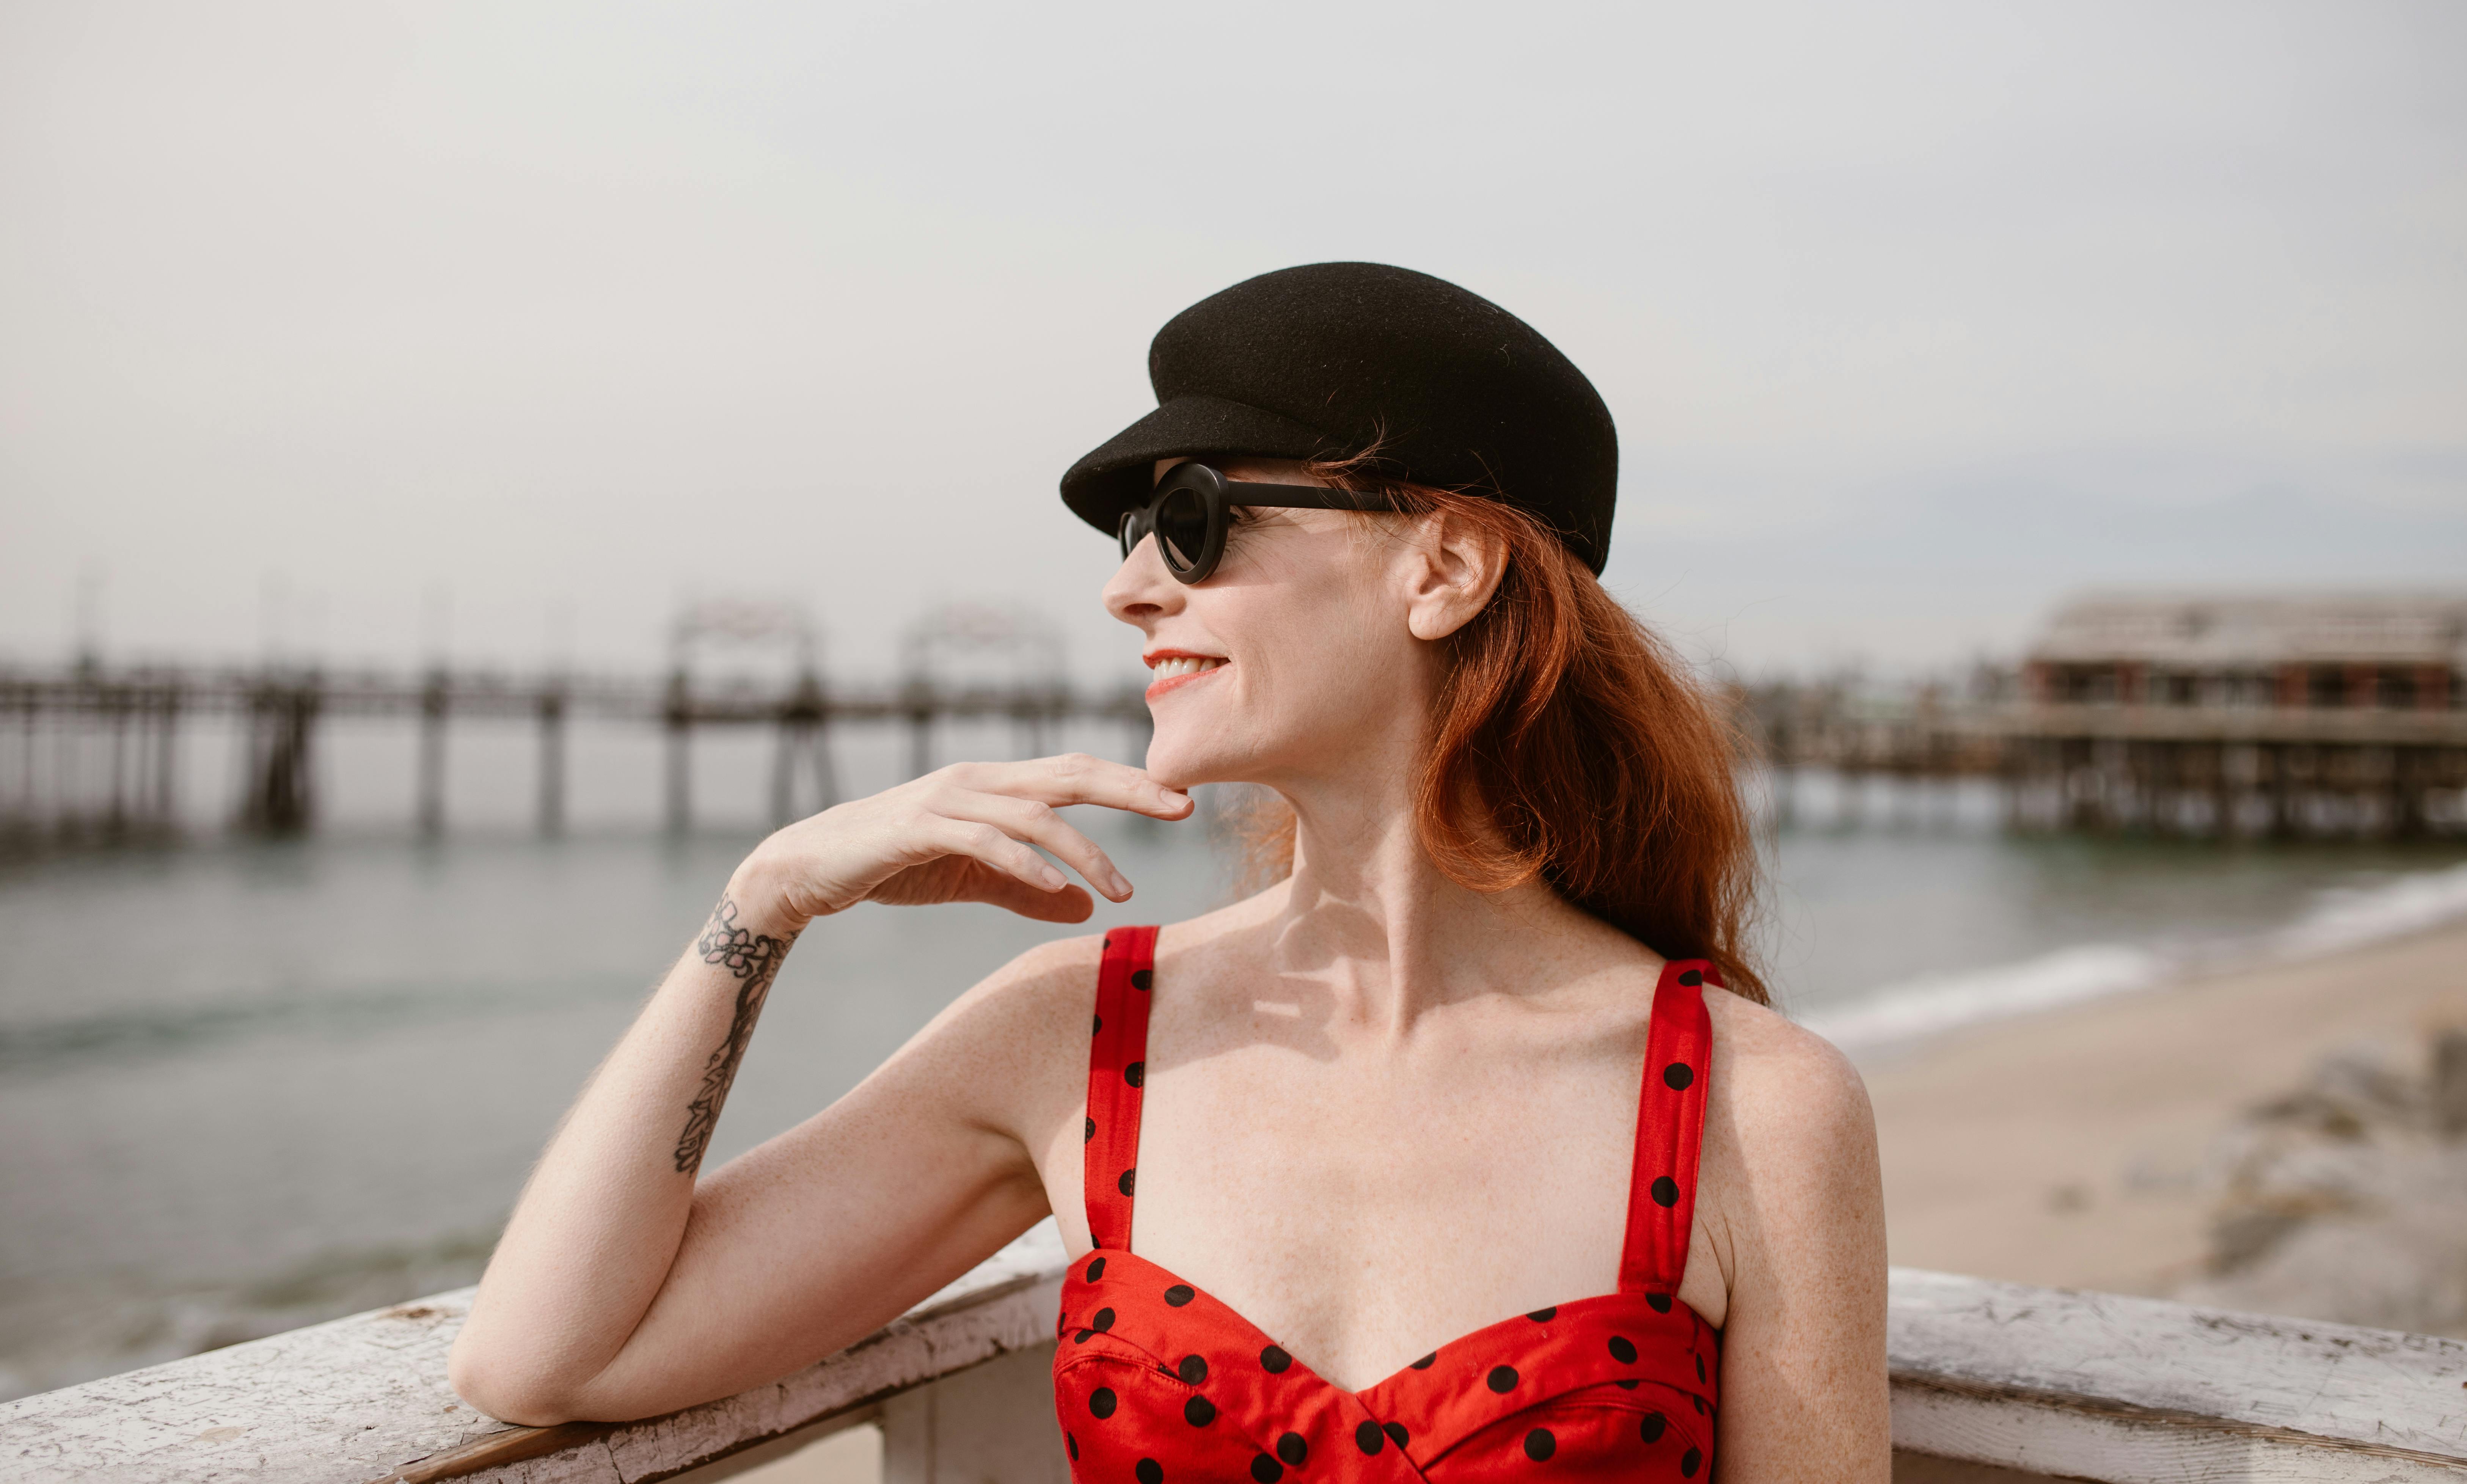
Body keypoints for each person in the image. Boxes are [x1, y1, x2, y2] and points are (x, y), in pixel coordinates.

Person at [449, 262, 1889, 1480]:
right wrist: (761, 904)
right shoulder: (1078, 1035)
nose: (1129, 585)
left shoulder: (1755, 1107)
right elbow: (545, 1357)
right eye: (1133, 534)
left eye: (1193, 517)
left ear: (1443, 565)